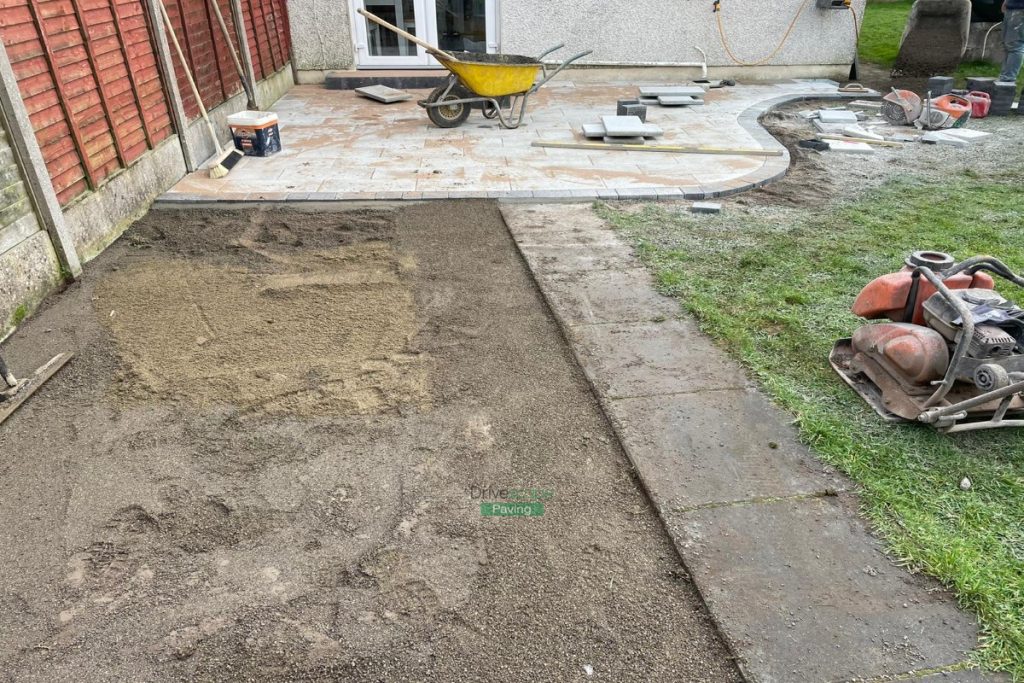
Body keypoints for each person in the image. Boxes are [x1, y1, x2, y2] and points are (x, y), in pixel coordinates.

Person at [999, 0, 1024, 83]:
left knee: (1015, 45)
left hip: (1020, 9)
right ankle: (1004, 77)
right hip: (1012, 7)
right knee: (1007, 44)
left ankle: (1008, 79)